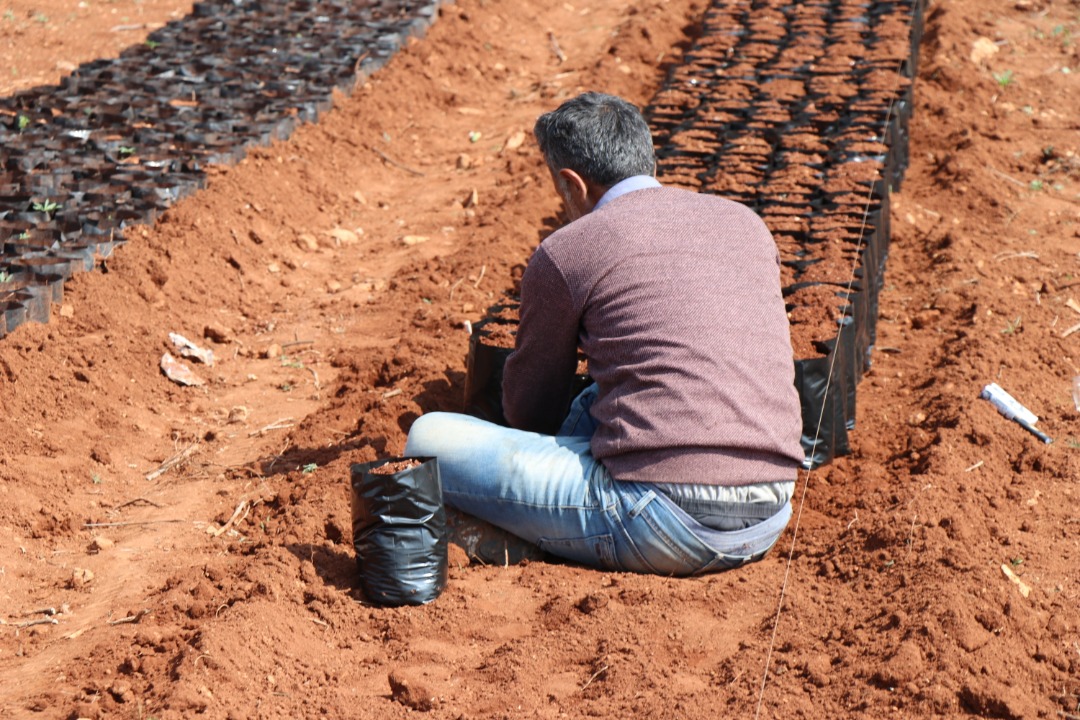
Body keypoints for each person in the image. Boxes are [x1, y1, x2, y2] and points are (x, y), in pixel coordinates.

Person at [405, 92, 804, 575]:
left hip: (663, 522)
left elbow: (532, 411)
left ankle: (530, 538)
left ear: (571, 184)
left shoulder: (570, 250)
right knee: (598, 395)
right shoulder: (745, 223)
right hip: (771, 511)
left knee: (429, 437)